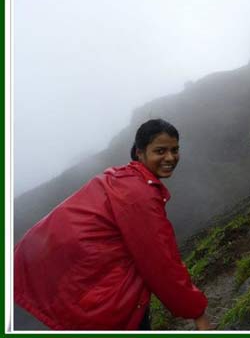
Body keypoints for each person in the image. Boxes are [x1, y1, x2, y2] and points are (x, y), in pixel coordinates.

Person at [13, 119, 212, 331]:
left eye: (175, 150)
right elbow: (161, 261)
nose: (170, 157)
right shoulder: (138, 194)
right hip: (102, 301)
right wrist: (197, 312)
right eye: (160, 151)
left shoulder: (123, 177)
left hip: (83, 290)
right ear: (139, 152)